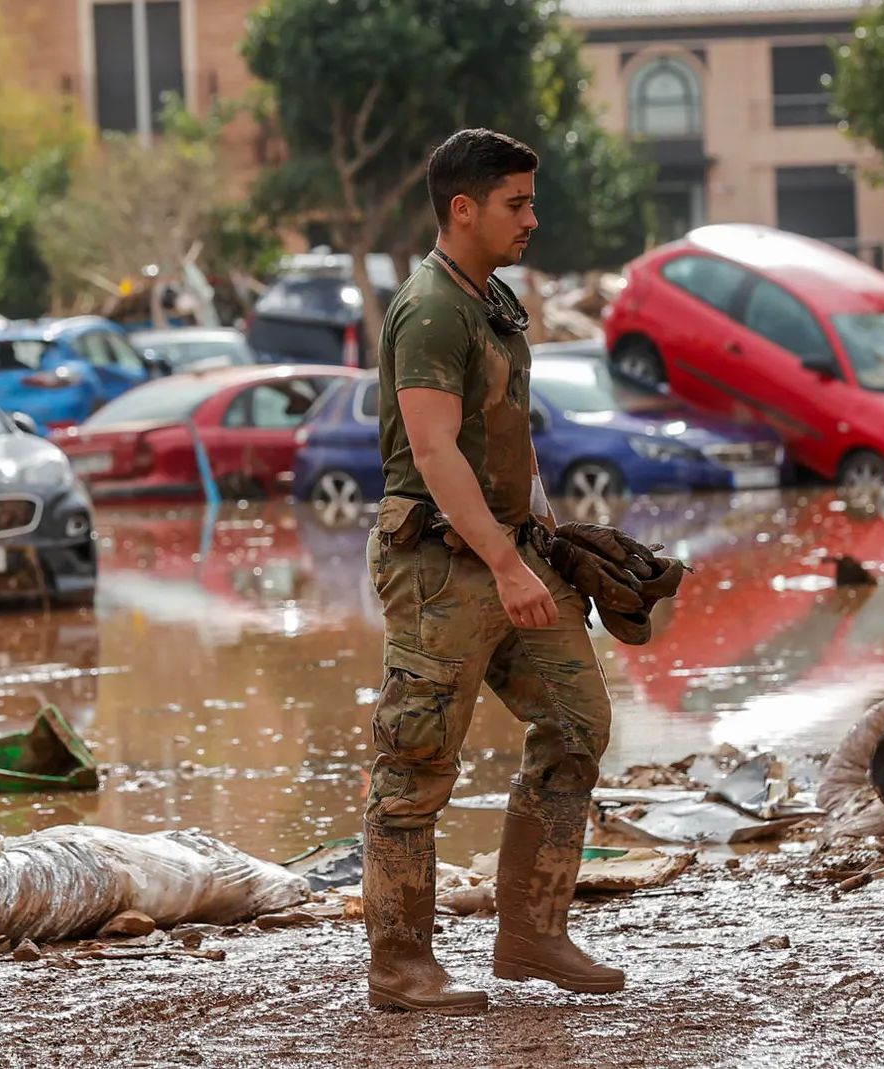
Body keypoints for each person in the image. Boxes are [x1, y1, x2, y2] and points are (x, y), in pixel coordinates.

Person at [361, 128, 623, 1016]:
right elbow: (433, 451)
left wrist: (548, 537)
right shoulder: (430, 306)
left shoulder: (494, 301)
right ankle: (400, 965)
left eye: (531, 201)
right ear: (462, 208)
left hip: (509, 552)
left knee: (577, 720)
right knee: (416, 759)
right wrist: (508, 563)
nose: (532, 219)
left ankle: (531, 931)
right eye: (516, 203)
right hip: (441, 565)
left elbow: (507, 434)